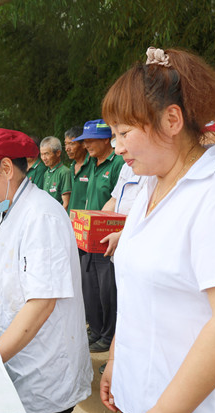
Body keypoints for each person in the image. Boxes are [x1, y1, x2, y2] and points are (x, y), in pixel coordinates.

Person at [99, 47, 215, 413]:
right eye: (113, 134)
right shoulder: (149, 188)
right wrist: (116, 359)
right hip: (140, 398)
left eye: (124, 133)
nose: (117, 146)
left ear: (171, 120)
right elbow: (137, 290)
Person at [0, 127, 92, 413]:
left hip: (45, 372)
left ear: (6, 168)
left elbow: (42, 303)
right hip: (17, 360)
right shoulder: (3, 211)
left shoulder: (42, 216)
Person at [74, 119, 124, 353]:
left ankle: (108, 335)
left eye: (91, 140)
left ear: (106, 140)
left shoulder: (118, 163)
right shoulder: (91, 164)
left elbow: (118, 201)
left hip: (107, 237)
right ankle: (95, 329)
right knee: (90, 287)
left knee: (107, 290)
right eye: (84, 141)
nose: (86, 145)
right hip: (88, 237)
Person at [40, 136, 71, 210]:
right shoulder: (46, 173)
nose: (44, 158)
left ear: (58, 153)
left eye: (47, 154)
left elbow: (66, 203)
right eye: (42, 154)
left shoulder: (64, 172)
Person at [65, 126, 92, 213]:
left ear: (83, 144)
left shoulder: (93, 164)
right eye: (66, 144)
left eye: (72, 144)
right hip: (72, 217)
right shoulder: (72, 167)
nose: (67, 149)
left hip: (87, 217)